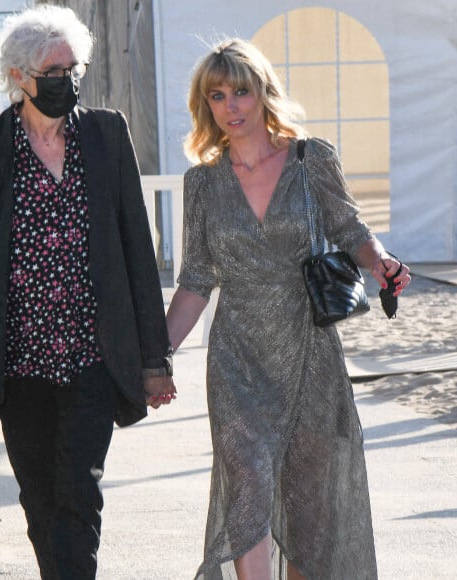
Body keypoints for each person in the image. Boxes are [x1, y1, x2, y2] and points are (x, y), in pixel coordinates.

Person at [166, 38, 411, 580]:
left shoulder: (310, 159)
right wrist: (156, 357)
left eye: (241, 92)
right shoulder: (202, 183)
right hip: (237, 358)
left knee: (308, 501)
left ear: (263, 93)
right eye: (217, 95)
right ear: (205, 105)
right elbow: (197, 278)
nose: (231, 106)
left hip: (308, 352)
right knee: (249, 483)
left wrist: (381, 262)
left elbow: (350, 230)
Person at [0, 5, 176, 579]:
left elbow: (136, 252)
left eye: (73, 69)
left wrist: (155, 360)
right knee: (38, 500)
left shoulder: (106, 134)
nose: (66, 81)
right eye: (53, 71)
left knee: (79, 490)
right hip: (19, 365)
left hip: (92, 357)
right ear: (19, 78)